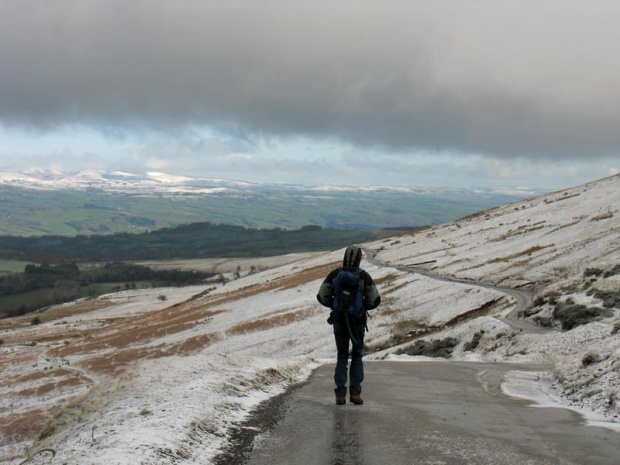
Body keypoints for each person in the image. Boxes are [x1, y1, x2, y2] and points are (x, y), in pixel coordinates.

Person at [317, 245, 381, 405]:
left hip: (339, 320)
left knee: (342, 356)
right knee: (357, 356)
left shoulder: (335, 274)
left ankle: (339, 395)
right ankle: (355, 394)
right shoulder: (363, 276)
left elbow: (322, 296)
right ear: (359, 259)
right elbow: (375, 300)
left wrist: (336, 305)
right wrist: (362, 307)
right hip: (357, 322)